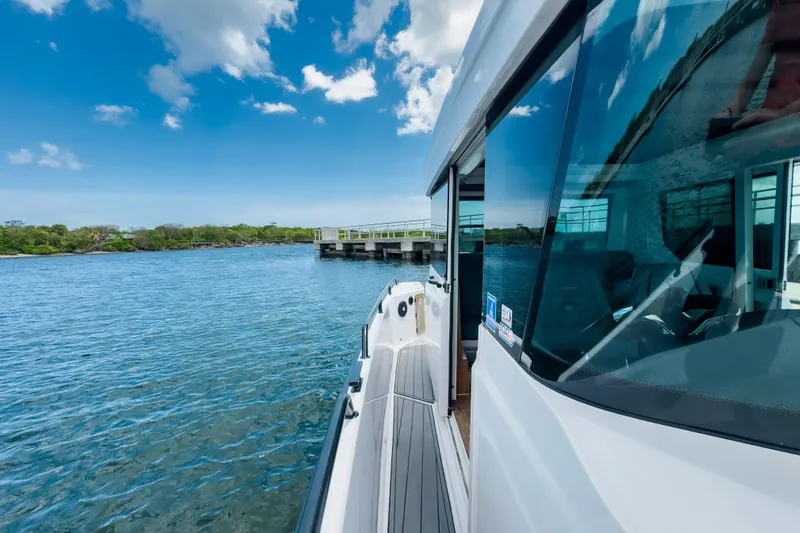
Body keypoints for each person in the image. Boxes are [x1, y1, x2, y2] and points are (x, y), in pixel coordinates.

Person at [713, 0, 800, 132]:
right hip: (769, 126)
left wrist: (784, 114)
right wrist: (733, 109)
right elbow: (758, 64)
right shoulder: (781, 4)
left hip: (788, 125)